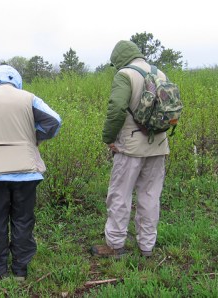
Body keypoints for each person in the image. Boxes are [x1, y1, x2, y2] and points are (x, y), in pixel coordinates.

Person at [0, 65, 61, 280]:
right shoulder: (29, 98)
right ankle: (20, 270)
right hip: (26, 172)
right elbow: (54, 121)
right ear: (16, 80)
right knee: (23, 221)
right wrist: (34, 136)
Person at [91, 40, 170, 258]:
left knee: (119, 195)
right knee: (151, 196)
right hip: (159, 146)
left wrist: (108, 138)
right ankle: (147, 246)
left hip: (130, 147)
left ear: (118, 59)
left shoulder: (124, 75)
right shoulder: (160, 74)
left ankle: (115, 245)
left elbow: (116, 108)